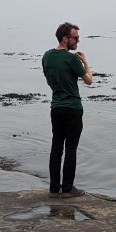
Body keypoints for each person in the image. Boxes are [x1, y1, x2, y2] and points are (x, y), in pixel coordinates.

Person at [42, 22, 93, 198]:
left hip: (56, 107)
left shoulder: (47, 56)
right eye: (75, 38)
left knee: (56, 146)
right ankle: (68, 188)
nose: (78, 41)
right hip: (72, 108)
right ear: (65, 39)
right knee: (70, 148)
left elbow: (49, 80)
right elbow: (88, 80)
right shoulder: (72, 59)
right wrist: (86, 62)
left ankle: (54, 188)